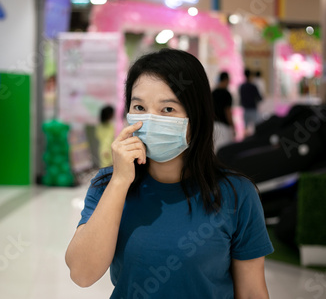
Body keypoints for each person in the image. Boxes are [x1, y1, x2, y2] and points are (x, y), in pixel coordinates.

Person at [65, 49, 273, 299]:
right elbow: (81, 273)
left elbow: (251, 292)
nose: (150, 120)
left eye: (167, 110)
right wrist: (120, 182)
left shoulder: (237, 194)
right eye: (139, 106)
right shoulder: (108, 185)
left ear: (196, 116)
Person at [212, 71, 234, 152]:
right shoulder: (227, 94)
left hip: (213, 125)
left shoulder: (213, 93)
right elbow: (228, 111)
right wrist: (232, 126)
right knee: (224, 151)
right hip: (224, 126)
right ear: (226, 80)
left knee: (214, 150)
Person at [239, 68, 263, 136]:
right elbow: (259, 98)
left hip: (245, 109)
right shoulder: (253, 87)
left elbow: (241, 99)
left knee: (245, 128)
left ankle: (245, 143)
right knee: (256, 128)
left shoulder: (242, 87)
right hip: (253, 109)